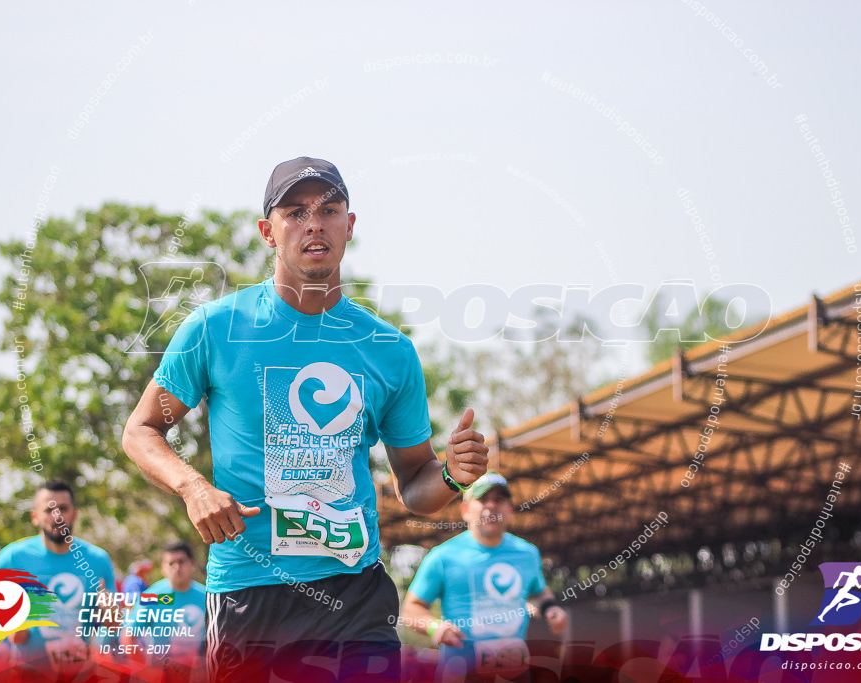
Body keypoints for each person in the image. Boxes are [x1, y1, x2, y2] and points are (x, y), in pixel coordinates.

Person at [122, 156, 490, 682]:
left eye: (329, 209)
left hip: (356, 593)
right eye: (295, 212)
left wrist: (453, 474)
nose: (314, 223)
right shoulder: (214, 328)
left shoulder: (390, 350)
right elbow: (140, 430)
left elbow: (415, 482)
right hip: (250, 593)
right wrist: (192, 486)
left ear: (350, 226)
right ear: (267, 232)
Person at [402, 472, 568, 681]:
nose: (491, 506)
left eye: (499, 500)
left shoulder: (528, 553)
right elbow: (411, 608)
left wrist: (551, 608)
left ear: (510, 510)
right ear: (465, 510)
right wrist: (436, 627)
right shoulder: (443, 557)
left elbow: (539, 593)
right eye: (482, 499)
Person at [0, 478, 116, 680]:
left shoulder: (97, 560)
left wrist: (110, 611)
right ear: (35, 516)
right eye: (49, 510)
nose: (57, 516)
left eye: (63, 508)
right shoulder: (13, 558)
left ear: (74, 513)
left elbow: (113, 625)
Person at [124, 542, 206, 682]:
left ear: (192, 564)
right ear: (163, 568)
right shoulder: (153, 596)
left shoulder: (206, 597)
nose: (176, 567)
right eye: (171, 563)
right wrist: (145, 670)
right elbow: (128, 637)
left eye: (181, 562)